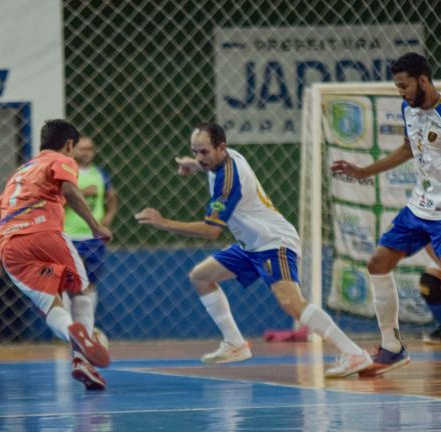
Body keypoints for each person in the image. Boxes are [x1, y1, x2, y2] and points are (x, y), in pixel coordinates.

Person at [135, 123, 372, 378]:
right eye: (195, 152)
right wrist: (192, 164)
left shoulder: (228, 179)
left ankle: (353, 353)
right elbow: (205, 164)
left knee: (291, 302)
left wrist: (164, 223)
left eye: (203, 152)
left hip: (273, 241)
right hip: (250, 244)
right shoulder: (222, 160)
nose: (199, 158)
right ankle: (235, 344)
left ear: (221, 148)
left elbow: (211, 230)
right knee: (201, 277)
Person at [331, 52, 441, 375]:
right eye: (397, 87)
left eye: (404, 86)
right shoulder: (409, 109)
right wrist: (365, 172)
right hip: (420, 206)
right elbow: (409, 149)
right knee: (378, 263)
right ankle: (392, 348)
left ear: (423, 81)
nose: (401, 92)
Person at [0, 119, 113, 391]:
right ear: (69, 144)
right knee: (80, 292)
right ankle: (80, 358)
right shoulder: (61, 160)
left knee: (51, 305)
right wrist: (95, 226)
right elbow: (69, 190)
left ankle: (70, 332)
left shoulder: (19, 172)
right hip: (47, 236)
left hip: (11, 246)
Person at [63, 136, 118, 328]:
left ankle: (86, 326)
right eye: (82, 149)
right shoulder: (68, 173)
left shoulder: (100, 174)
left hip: (93, 238)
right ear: (73, 150)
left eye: (90, 149)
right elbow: (57, 202)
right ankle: (68, 327)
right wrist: (82, 193)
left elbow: (112, 199)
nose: (87, 153)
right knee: (68, 283)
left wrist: (108, 218)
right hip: (69, 236)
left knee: (91, 282)